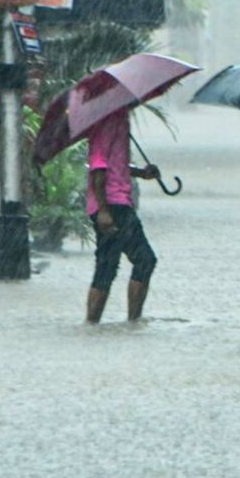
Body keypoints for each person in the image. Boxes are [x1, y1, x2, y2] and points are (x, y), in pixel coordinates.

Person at [84, 108, 160, 323]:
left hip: (119, 204)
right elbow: (98, 168)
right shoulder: (106, 120)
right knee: (120, 265)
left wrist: (141, 173)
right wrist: (104, 211)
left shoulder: (120, 119)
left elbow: (115, 165)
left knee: (124, 263)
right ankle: (103, 322)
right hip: (112, 205)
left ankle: (120, 322)